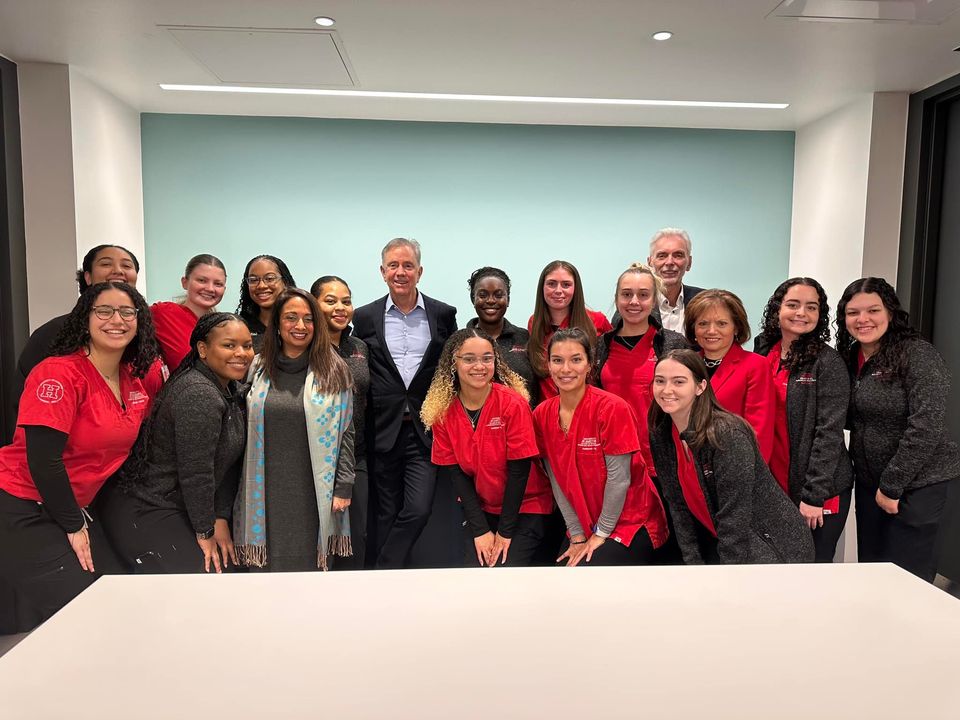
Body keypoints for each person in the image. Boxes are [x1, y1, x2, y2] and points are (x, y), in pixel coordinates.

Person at [0, 281, 158, 626]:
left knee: (121, 597)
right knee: (84, 615)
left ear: (139, 321)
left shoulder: (132, 380)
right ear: (84, 318)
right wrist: (73, 525)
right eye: (104, 310)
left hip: (71, 508)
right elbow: (43, 460)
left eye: (127, 311)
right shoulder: (58, 373)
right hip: (22, 505)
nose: (116, 319)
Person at [98, 313, 253, 574]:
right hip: (148, 506)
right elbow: (196, 473)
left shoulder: (229, 390)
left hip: (181, 506)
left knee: (228, 573)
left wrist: (220, 517)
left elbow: (228, 465)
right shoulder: (198, 393)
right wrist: (206, 530)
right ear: (203, 349)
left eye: (247, 345)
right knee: (204, 579)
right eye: (229, 345)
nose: (241, 353)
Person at [838, 277, 960, 582]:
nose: (863, 319)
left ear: (890, 312)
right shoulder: (851, 358)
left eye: (873, 310)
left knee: (908, 580)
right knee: (874, 574)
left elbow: (926, 425)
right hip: (870, 484)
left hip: (917, 486)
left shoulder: (917, 355)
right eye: (853, 312)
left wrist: (892, 485)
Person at [648, 349, 814, 564]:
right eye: (660, 381)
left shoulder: (727, 434)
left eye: (679, 382)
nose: (667, 390)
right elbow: (678, 507)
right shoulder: (661, 433)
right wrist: (693, 564)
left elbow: (735, 517)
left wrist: (729, 576)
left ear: (700, 387)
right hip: (727, 544)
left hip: (776, 548)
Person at [231, 289, 355, 571]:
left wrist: (343, 486)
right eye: (291, 318)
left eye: (308, 319)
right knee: (265, 575)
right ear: (276, 324)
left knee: (310, 573)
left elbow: (347, 433)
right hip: (263, 487)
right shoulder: (257, 368)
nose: (300, 326)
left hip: (313, 490)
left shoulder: (335, 371)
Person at [352, 238, 457, 568]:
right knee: (385, 512)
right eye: (393, 266)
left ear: (419, 271)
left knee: (418, 509)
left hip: (425, 431)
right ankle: (389, 587)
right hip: (381, 429)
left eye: (408, 265)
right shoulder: (365, 316)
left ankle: (381, 569)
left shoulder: (443, 314)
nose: (401, 272)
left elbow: (449, 367)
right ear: (382, 272)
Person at [533, 328, 668, 566]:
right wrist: (576, 534)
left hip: (630, 522)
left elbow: (620, 479)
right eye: (557, 360)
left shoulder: (612, 408)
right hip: (584, 522)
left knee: (588, 575)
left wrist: (601, 533)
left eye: (576, 360)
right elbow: (555, 478)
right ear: (549, 365)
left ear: (589, 365)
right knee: (560, 576)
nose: (566, 369)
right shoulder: (541, 415)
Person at [422, 328, 553, 567]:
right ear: (454, 362)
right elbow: (457, 476)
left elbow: (519, 472)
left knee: (502, 571)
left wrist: (504, 533)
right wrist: (480, 530)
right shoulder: (441, 412)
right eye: (469, 359)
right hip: (483, 510)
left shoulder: (513, 404)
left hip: (525, 507)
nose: (479, 366)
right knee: (477, 573)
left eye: (487, 358)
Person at [754, 278, 853, 562]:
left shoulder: (827, 362)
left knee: (813, 568)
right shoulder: (763, 352)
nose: (802, 313)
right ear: (777, 309)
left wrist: (813, 495)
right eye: (793, 305)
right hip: (775, 483)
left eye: (812, 307)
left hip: (817, 488)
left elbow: (829, 432)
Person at [312, 275, 371, 569]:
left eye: (346, 301)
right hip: (315, 460)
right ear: (314, 305)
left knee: (354, 542)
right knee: (319, 541)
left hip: (355, 458)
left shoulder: (359, 346)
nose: (340, 308)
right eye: (330, 300)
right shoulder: (306, 349)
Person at [16, 244, 141, 383]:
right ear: (88, 277)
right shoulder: (55, 331)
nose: (118, 270)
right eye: (106, 264)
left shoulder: (144, 331)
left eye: (127, 266)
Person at [684, 289, 775, 462]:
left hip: (734, 466)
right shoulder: (685, 366)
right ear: (693, 329)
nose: (711, 331)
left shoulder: (755, 365)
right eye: (703, 323)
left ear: (736, 327)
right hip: (690, 468)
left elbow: (759, 433)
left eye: (721, 323)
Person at [528, 260, 612, 402]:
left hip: (589, 409)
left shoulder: (597, 321)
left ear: (576, 288)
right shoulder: (534, 323)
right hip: (547, 413)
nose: (558, 290)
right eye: (551, 284)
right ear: (542, 287)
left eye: (566, 285)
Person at [465, 266, 537, 404]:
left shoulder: (525, 338)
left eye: (498, 295)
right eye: (483, 295)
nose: (491, 300)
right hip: (477, 424)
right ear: (473, 299)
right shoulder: (461, 342)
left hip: (523, 422)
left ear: (508, 300)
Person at [151, 254, 228, 371]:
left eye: (218, 284)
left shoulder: (224, 327)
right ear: (185, 282)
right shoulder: (163, 313)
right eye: (202, 280)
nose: (210, 289)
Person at [646, 228, 704, 332]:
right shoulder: (636, 305)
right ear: (650, 263)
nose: (669, 262)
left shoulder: (704, 301)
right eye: (662, 256)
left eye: (678, 255)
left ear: (689, 263)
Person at [237, 254, 296, 353]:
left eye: (269, 279)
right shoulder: (240, 327)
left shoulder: (300, 324)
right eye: (253, 280)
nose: (261, 286)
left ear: (285, 282)